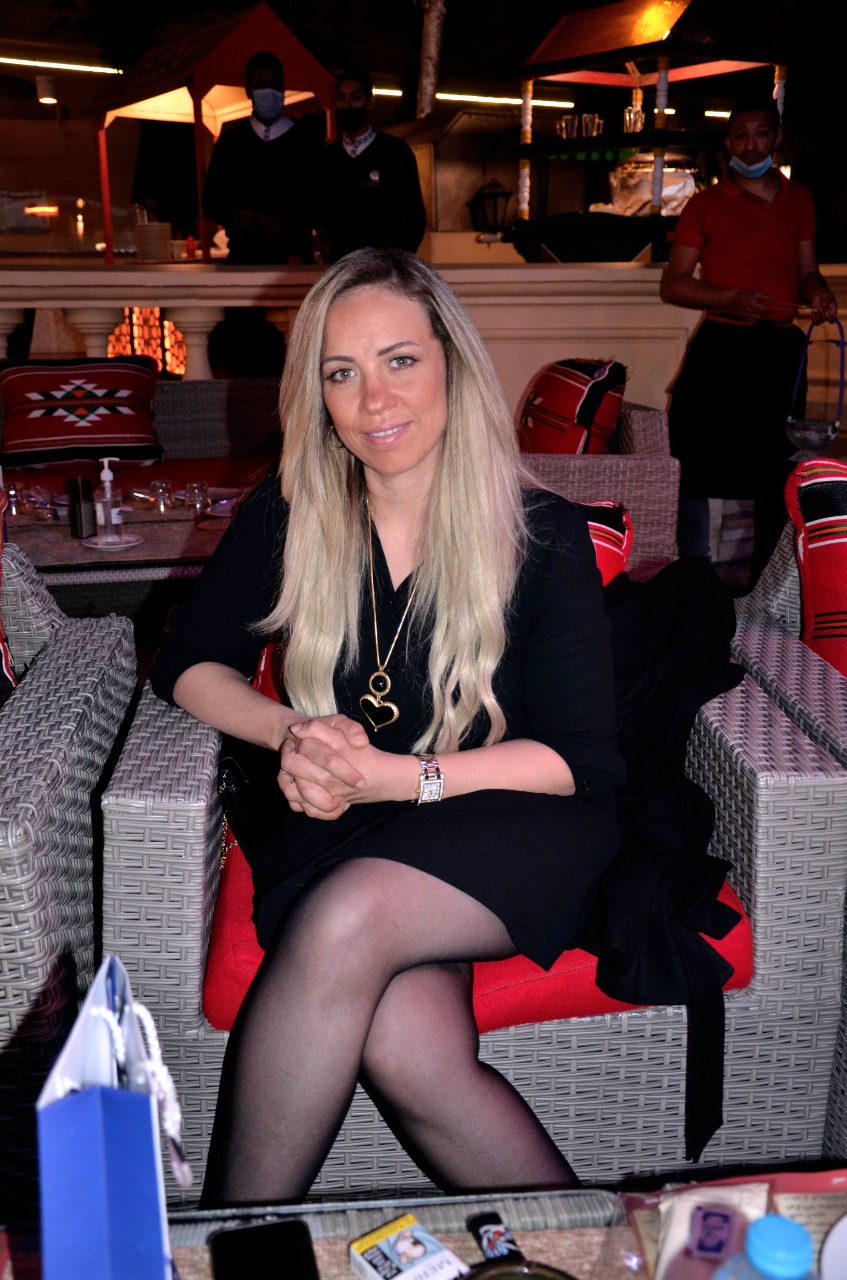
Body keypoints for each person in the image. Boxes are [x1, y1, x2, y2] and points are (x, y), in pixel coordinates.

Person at [151, 247, 624, 1205]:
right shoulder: (290, 512)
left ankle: (238, 1244)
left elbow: (576, 759)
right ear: (316, 394)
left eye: (399, 360)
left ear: (452, 362)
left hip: (509, 813)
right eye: (342, 373)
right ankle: (602, 1254)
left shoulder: (540, 535)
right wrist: (291, 735)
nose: (374, 400)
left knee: (348, 916)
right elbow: (187, 665)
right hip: (349, 823)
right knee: (409, 1049)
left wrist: (404, 779)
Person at [661, 96, 838, 587]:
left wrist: (818, 293)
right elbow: (674, 284)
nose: (751, 144)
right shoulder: (705, 205)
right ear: (728, 142)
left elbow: (806, 272)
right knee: (690, 462)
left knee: (776, 471)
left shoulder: (799, 200)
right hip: (721, 346)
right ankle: (693, 576)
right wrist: (731, 299)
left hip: (780, 351)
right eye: (740, 134)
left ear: (777, 138)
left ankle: (765, 585)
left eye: (761, 133)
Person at [202, 51, 319, 265]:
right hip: (244, 258)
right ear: (249, 90)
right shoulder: (231, 142)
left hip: (294, 260)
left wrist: (287, 220)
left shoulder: (306, 141)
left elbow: (321, 201)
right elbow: (211, 201)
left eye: (276, 85)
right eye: (262, 84)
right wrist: (233, 216)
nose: (270, 91)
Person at [317, 67, 427, 263]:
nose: (347, 105)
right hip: (341, 269)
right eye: (342, 98)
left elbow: (415, 218)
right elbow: (320, 216)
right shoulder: (328, 159)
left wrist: (397, 264)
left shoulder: (395, 152)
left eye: (355, 97)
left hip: (385, 268)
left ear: (370, 103)